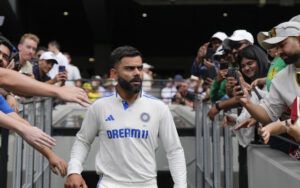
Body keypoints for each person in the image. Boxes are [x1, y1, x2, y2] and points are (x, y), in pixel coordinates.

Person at [65, 46, 187, 188]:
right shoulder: (99, 106)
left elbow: (174, 151)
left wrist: (180, 185)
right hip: (109, 184)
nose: (137, 73)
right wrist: (74, 170)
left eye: (139, 68)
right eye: (129, 68)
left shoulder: (159, 107)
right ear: (114, 74)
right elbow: (83, 141)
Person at [235, 21, 300, 125]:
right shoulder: (280, 79)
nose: (278, 52)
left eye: (282, 45)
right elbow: (268, 114)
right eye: (276, 47)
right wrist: (246, 101)